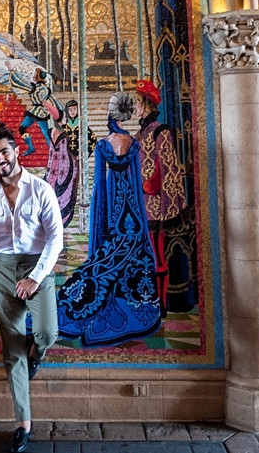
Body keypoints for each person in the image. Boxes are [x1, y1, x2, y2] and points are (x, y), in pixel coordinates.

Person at [58, 93, 162, 344]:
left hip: (111, 197)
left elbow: (98, 186)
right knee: (131, 247)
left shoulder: (105, 144)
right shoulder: (133, 143)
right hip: (131, 205)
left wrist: (99, 215)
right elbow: (136, 181)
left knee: (108, 250)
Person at [0, 128, 63, 453]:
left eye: (3, 152)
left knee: (47, 333)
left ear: (16, 151)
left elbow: (56, 238)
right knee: (11, 346)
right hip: (3, 268)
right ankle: (23, 423)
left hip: (38, 267)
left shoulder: (41, 189)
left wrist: (35, 277)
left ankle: (38, 352)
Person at [133, 79, 186, 314]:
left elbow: (166, 168)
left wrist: (146, 185)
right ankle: (148, 299)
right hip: (141, 204)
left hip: (155, 206)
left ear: (145, 104)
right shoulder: (140, 132)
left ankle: (161, 305)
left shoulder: (160, 131)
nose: (134, 106)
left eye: (136, 101)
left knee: (157, 254)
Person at [44, 118, 78, 226]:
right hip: (61, 165)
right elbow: (63, 155)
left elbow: (51, 152)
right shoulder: (61, 133)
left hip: (54, 165)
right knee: (62, 194)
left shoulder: (53, 131)